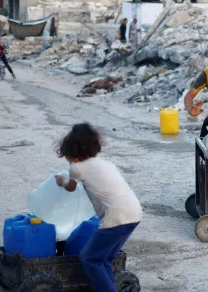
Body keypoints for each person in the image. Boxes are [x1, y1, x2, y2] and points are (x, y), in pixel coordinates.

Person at [55, 123, 142, 292]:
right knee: (104, 258)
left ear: (72, 153)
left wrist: (61, 181)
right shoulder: (106, 164)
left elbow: (70, 187)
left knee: (89, 258)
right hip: (134, 213)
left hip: (116, 217)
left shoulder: (77, 168)